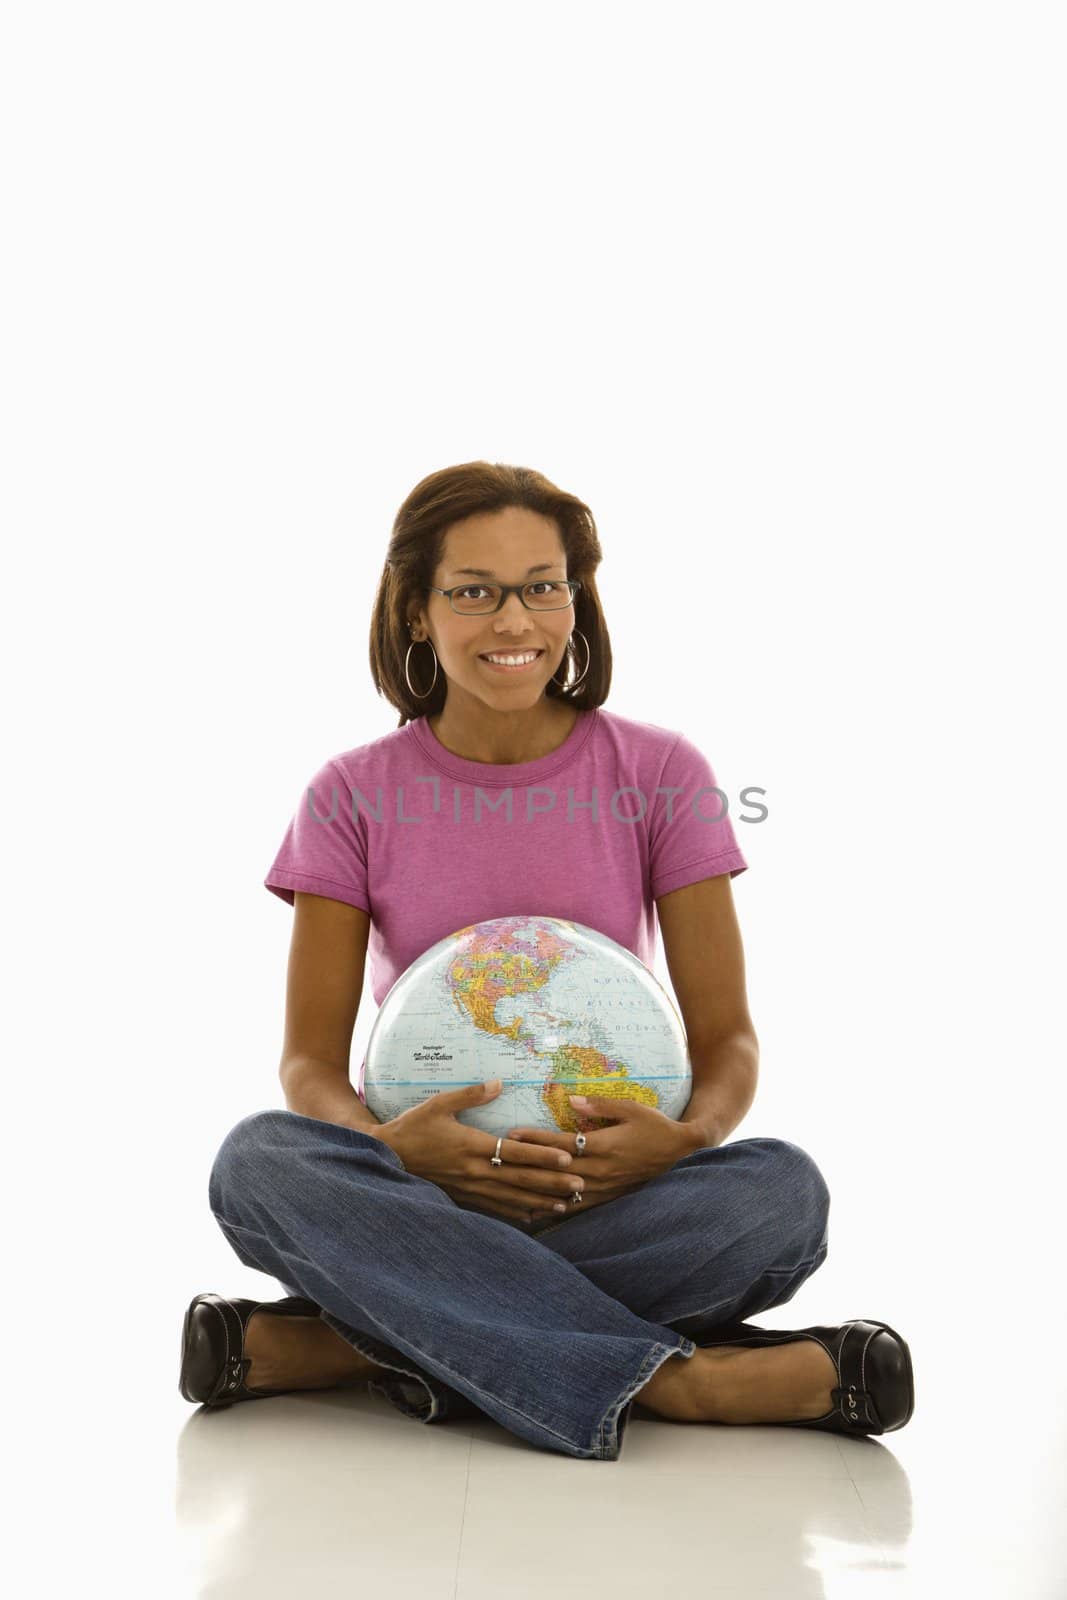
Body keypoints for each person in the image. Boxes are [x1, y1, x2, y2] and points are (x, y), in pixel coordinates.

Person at [179, 460, 914, 1460]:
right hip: (418, 1190)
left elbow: (727, 1037)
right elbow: (309, 1063)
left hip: (601, 1196)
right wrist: (391, 1151)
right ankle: (677, 1384)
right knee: (258, 1162)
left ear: (576, 600)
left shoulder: (660, 774)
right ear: (414, 613)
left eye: (541, 585)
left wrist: (687, 1136)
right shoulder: (350, 793)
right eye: (472, 591)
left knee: (779, 1194)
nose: (512, 620)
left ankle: (349, 1343)